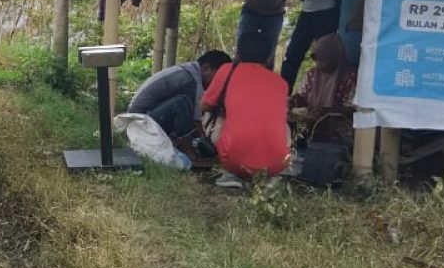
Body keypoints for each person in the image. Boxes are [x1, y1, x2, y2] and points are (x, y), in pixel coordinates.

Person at [200, 32, 290, 188]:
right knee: (284, 125)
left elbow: (204, 106)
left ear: (238, 54)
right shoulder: (281, 83)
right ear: (269, 57)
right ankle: (267, 177)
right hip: (276, 164)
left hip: (234, 160)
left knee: (211, 116)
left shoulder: (227, 70)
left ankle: (233, 175)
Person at [128, 50, 233, 142]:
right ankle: (188, 151)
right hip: (140, 122)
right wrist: (207, 145)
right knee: (180, 104)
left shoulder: (187, 70)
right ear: (206, 68)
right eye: (218, 77)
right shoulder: (191, 80)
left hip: (144, 117)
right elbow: (196, 122)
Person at [290, 33, 358, 143]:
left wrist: (327, 112)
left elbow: (352, 109)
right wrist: (293, 101)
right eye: (317, 60)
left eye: (323, 60)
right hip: (310, 128)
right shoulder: (312, 74)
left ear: (334, 57)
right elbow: (303, 96)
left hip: (339, 133)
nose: (319, 64)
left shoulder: (350, 77)